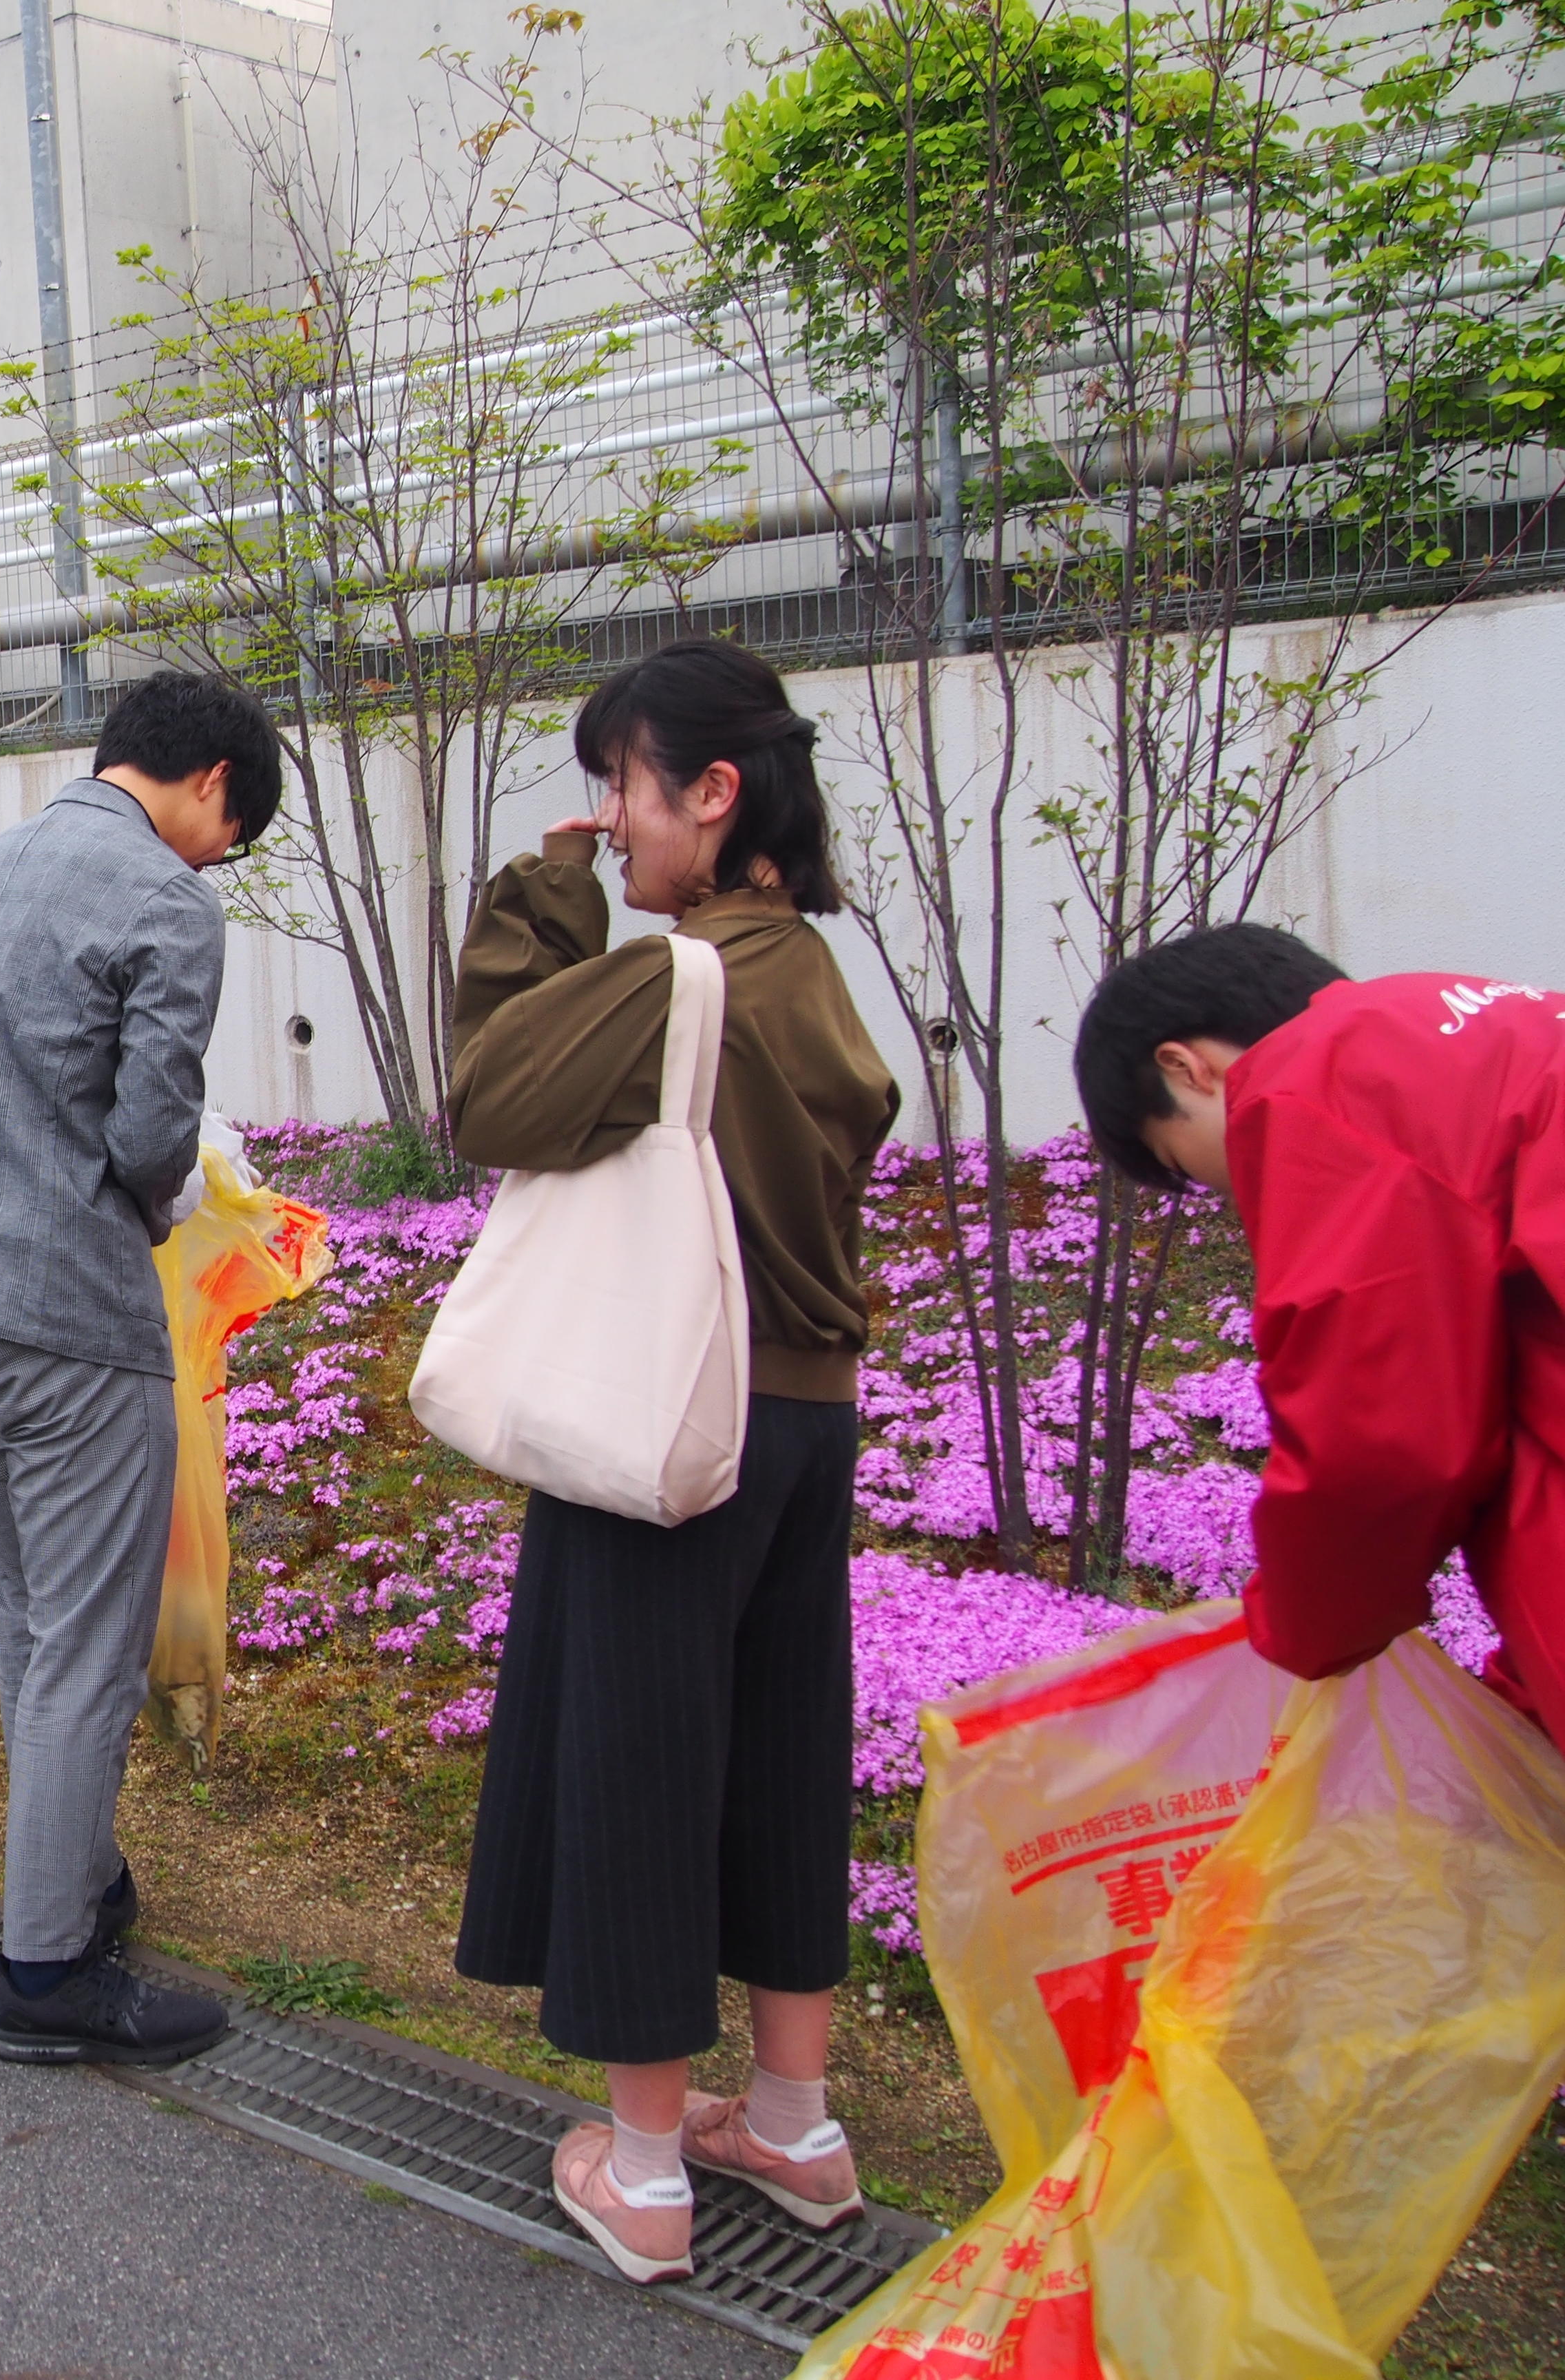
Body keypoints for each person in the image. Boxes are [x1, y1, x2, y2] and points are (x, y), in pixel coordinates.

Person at [443, 638, 899, 2286]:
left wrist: (539, 904)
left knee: (637, 1762)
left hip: (662, 1413)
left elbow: (490, 1093)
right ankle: (791, 2119)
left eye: (624, 785)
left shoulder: (679, 980)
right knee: (780, 1750)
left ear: (713, 791)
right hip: (804, 1417)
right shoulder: (812, 974)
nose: (610, 820)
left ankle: (639, 2167)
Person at [0, 669, 284, 2067]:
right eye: (237, 831)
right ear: (214, 783)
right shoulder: (167, 900)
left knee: (38, 1622)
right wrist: (161, 1202)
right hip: (65, 1316)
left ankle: (82, 1882)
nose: (223, 857)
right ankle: (45, 1976)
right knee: (86, 1656)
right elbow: (153, 1132)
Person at [1074, 923, 1564, 1748]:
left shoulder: (1316, 1090)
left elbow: (1379, 1439)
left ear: (1186, 1066)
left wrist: (1303, 1633)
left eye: (1182, 1160)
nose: (1221, 1189)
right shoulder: (1482, 1025)